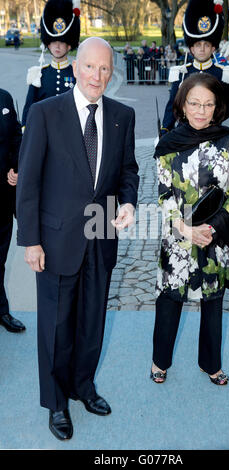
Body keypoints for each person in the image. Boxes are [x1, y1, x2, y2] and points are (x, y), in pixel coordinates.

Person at [16, 37, 139, 441]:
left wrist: (129, 203)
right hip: (54, 239)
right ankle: (55, 402)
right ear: (75, 68)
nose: (97, 76)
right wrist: (30, 240)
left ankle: (83, 386)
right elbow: (29, 182)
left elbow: (128, 172)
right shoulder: (44, 113)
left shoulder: (123, 115)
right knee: (55, 325)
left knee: (92, 319)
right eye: (90, 67)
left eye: (104, 69)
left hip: (101, 230)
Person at [151, 72, 229, 386]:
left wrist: (211, 230)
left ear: (217, 106)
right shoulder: (168, 143)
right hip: (177, 235)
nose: (201, 110)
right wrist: (184, 229)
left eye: (208, 104)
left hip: (214, 236)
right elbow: (163, 193)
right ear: (182, 104)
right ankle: (159, 360)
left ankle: (211, 364)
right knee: (169, 299)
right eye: (194, 103)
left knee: (213, 300)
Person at [160, 0, 229, 135]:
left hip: (212, 132)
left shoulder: (222, 73)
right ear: (191, 49)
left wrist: (212, 120)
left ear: (213, 48)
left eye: (206, 45)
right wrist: (165, 129)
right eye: (198, 45)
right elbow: (172, 105)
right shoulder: (182, 73)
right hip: (184, 133)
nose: (202, 49)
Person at [22, 0, 80, 128]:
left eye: (62, 41)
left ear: (69, 45)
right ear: (48, 44)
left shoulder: (77, 74)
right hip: (44, 132)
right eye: (53, 41)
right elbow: (29, 108)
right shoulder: (38, 74)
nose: (57, 46)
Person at [0, 88, 26, 333]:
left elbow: (16, 138)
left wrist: (16, 167)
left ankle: (1, 310)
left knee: (0, 259)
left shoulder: (5, 97)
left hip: (3, 196)